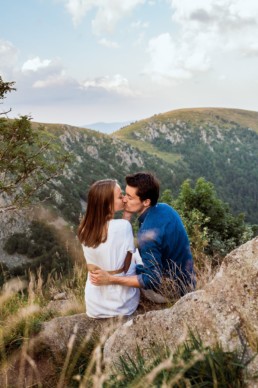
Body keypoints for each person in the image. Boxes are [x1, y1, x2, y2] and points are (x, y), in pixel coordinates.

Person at [90, 172, 195, 300]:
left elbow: (152, 280)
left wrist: (111, 279)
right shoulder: (165, 208)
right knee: (133, 257)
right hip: (188, 281)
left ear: (146, 202)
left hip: (174, 291)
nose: (124, 199)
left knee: (128, 265)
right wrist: (127, 215)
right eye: (125, 194)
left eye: (129, 197)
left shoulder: (146, 235)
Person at [78, 179, 140, 318]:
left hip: (95, 305)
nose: (124, 199)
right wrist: (126, 218)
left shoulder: (84, 229)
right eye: (120, 196)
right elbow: (126, 266)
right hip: (121, 304)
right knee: (138, 257)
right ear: (108, 204)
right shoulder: (123, 227)